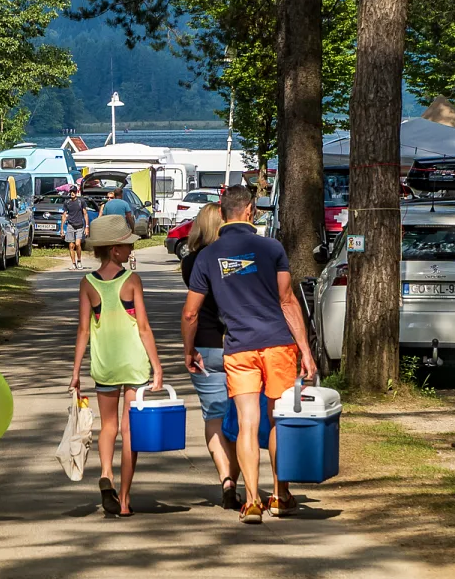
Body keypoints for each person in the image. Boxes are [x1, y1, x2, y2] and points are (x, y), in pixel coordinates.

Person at [182, 185, 318, 524]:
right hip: (277, 344)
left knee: (246, 422)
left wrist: (189, 351)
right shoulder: (271, 247)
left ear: (223, 212)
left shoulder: (207, 257)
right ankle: (280, 495)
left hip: (239, 347)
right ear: (249, 210)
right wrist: (306, 352)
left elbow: (190, 313)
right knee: (276, 420)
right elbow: (288, 301)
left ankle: (253, 501)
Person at [69, 215, 163, 517]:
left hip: (104, 363)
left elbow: (83, 330)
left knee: (108, 426)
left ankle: (106, 474)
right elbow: (144, 327)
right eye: (125, 246)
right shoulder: (132, 280)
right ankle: (123, 500)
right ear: (113, 250)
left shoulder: (87, 284)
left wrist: (75, 372)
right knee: (129, 430)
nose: (130, 250)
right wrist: (157, 365)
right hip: (133, 364)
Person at [178, 203, 239, 509]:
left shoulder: (190, 263)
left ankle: (226, 479)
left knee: (214, 417)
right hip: (238, 343)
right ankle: (240, 480)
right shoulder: (235, 260)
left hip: (204, 345)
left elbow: (193, 310)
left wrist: (187, 350)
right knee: (241, 416)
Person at [60, 190, 89, 270]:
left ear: (76, 192)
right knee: (71, 245)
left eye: (74, 192)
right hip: (70, 225)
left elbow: (85, 214)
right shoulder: (67, 202)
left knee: (78, 244)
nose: (72, 193)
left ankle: (79, 261)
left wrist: (87, 227)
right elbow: (64, 215)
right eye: (71, 192)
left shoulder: (81, 202)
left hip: (79, 225)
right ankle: (73, 263)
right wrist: (62, 229)